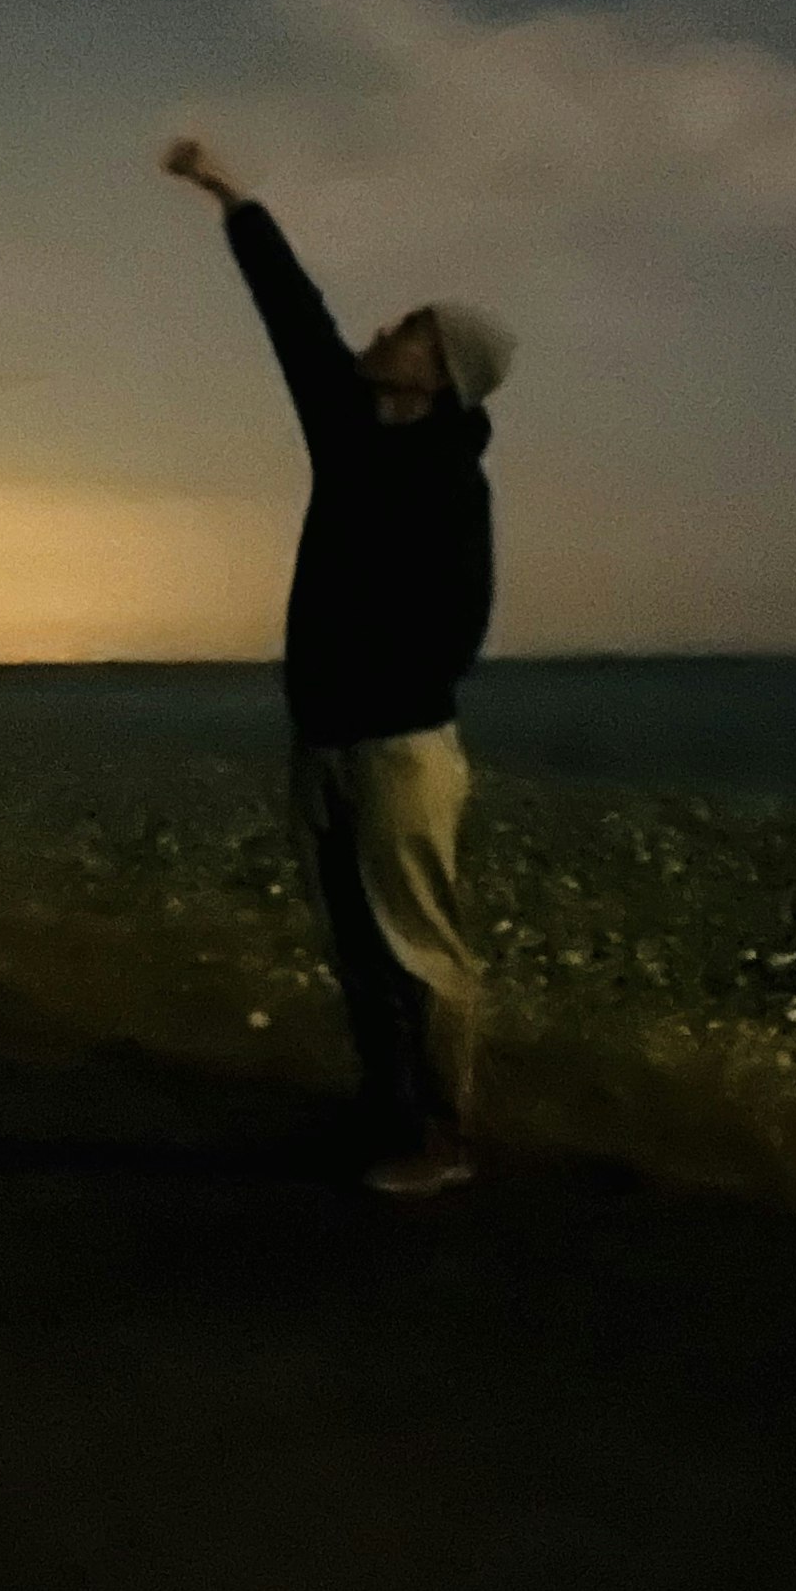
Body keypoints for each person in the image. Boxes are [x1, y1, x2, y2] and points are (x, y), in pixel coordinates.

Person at [161, 137, 513, 1197]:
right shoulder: (350, 433)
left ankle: (446, 1140)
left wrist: (370, 704)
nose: (382, 329)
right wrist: (233, 201)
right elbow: (294, 318)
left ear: (440, 371)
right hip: (325, 741)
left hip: (398, 747)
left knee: (423, 950)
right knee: (357, 950)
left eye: (409, 330)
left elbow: (459, 625)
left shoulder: (452, 480)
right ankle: (387, 1114)